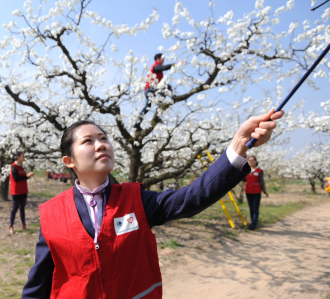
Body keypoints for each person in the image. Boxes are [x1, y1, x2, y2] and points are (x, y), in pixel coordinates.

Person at [21, 108, 284, 298]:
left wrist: (238, 145)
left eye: (104, 138)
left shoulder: (138, 201)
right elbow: (39, 284)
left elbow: (192, 197)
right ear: (70, 162)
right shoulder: (52, 213)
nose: (101, 145)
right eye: (88, 141)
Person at [135, 53, 177, 129]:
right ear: (158, 59)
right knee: (167, 86)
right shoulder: (156, 66)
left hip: (148, 90)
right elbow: (163, 68)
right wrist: (174, 65)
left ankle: (137, 123)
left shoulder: (156, 67)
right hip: (151, 89)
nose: (164, 60)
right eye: (162, 58)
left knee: (147, 107)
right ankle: (160, 101)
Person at [9, 151, 34, 234]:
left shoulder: (22, 167)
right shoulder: (14, 167)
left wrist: (28, 177)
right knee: (15, 209)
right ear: (18, 157)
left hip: (23, 190)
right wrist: (27, 176)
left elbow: (23, 178)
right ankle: (11, 226)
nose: (24, 157)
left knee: (22, 208)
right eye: (22, 156)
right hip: (16, 191)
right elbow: (16, 178)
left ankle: (23, 225)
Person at [244, 156, 268, 231]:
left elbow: (261, 181)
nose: (251, 162)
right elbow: (244, 180)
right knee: (251, 208)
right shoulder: (247, 170)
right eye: (249, 160)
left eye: (252, 160)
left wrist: (264, 191)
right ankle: (252, 222)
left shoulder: (259, 171)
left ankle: (254, 224)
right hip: (248, 192)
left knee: (255, 208)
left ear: (256, 161)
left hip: (256, 192)